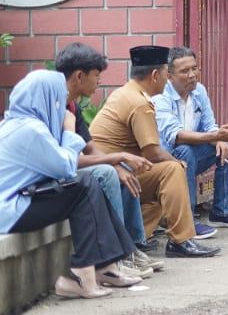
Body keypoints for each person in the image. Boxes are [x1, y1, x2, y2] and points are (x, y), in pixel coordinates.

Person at [0, 71, 142, 298]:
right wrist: (69, 129)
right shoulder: (30, 130)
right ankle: (82, 276)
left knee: (85, 184)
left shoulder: (21, 123)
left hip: (17, 201)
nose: (62, 106)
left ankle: (105, 267)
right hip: (10, 211)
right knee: (83, 186)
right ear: (45, 98)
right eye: (58, 98)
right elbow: (66, 168)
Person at [89, 46, 219, 258]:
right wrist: (178, 165)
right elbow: (153, 153)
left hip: (112, 170)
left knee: (165, 182)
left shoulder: (126, 93)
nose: (168, 80)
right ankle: (181, 240)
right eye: (165, 74)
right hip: (110, 173)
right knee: (171, 171)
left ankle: (135, 240)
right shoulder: (140, 103)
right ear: (155, 75)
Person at [54, 44, 162, 276]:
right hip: (51, 176)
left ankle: (132, 246)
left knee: (121, 170)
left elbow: (90, 148)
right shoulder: (52, 106)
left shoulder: (72, 105)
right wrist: (118, 158)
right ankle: (116, 255)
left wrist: (118, 164)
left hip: (69, 170)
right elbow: (68, 161)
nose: (99, 81)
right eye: (96, 75)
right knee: (107, 173)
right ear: (79, 76)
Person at [151, 46, 228, 234]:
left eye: (194, 68)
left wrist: (220, 138)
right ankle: (186, 220)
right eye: (185, 71)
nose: (192, 75)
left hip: (190, 157)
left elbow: (209, 124)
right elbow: (176, 136)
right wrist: (214, 136)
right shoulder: (161, 98)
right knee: (185, 150)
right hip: (165, 161)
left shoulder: (199, 91)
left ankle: (222, 212)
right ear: (170, 76)